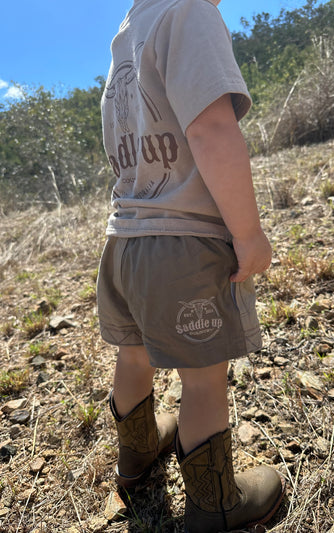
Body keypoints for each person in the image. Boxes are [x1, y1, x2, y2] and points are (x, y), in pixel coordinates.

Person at [97, 0, 286, 531]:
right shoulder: (189, 12)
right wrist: (248, 234)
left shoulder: (128, 32)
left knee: (133, 358)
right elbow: (211, 130)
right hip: (184, 243)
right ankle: (216, 505)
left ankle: (135, 461)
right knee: (203, 381)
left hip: (123, 242)